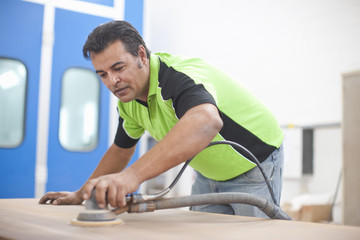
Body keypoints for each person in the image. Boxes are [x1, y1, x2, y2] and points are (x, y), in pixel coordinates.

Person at [39, 20, 284, 218]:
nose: (112, 81)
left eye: (118, 68)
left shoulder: (176, 77)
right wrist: (82, 193)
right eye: (102, 74)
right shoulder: (129, 102)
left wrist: (131, 177)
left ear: (142, 55)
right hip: (209, 174)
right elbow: (121, 150)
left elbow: (206, 121)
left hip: (255, 164)